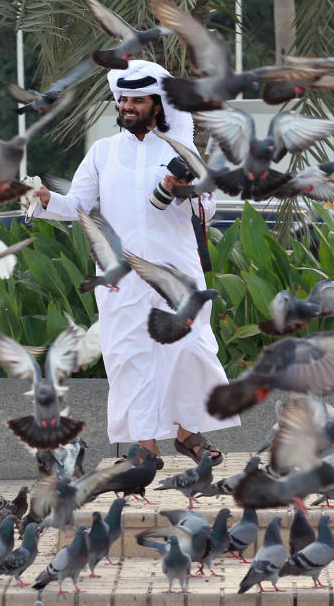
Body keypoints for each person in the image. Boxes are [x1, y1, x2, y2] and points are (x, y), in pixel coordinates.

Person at [27, 59, 239, 464]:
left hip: (177, 271)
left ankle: (187, 432)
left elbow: (208, 208)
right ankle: (145, 447)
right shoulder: (102, 152)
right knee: (129, 356)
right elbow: (76, 205)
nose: (127, 106)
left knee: (188, 351)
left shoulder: (182, 150)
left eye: (137, 100)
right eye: (123, 99)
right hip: (122, 276)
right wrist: (45, 199)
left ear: (157, 104)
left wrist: (180, 191)